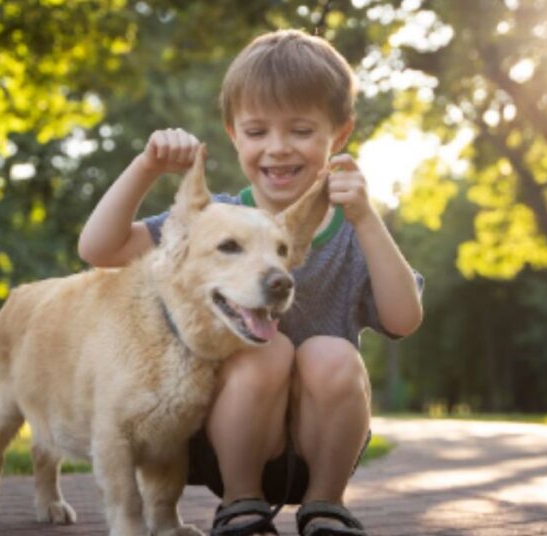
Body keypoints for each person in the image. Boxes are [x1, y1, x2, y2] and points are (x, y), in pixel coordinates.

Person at [78, 29, 423, 536]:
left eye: (301, 130)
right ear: (233, 133)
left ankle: (326, 507)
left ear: (340, 134)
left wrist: (368, 220)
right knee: (266, 350)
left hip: (319, 447)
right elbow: (99, 249)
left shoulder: (354, 231)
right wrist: (147, 166)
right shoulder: (217, 223)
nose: (278, 149)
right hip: (227, 446)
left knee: (331, 354)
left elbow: (403, 318)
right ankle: (241, 505)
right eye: (257, 131)